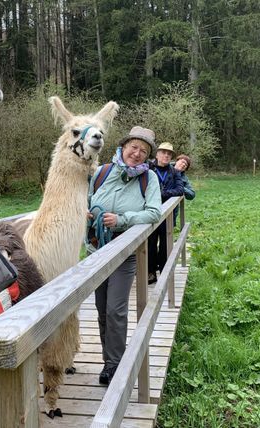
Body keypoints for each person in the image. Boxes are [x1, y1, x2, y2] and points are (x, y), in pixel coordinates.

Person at [86, 126, 162, 385]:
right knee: (101, 309)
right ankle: (109, 358)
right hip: (97, 251)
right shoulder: (102, 172)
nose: (137, 153)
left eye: (143, 150)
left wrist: (121, 220)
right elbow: (86, 201)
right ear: (124, 146)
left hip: (124, 252)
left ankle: (114, 364)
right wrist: (86, 214)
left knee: (116, 309)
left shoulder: (148, 179)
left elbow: (153, 213)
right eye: (134, 147)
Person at [147, 142, 184, 283]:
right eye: (163, 152)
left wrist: (163, 193)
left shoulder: (174, 172)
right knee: (150, 244)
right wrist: (159, 195)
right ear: (157, 154)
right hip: (151, 212)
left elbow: (180, 190)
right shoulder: (148, 168)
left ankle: (164, 272)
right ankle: (150, 272)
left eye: (169, 154)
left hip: (168, 215)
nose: (166, 156)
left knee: (165, 244)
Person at [173, 154, 195, 226]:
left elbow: (191, 195)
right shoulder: (165, 167)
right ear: (177, 161)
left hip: (173, 210)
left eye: (185, 165)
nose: (183, 165)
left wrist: (180, 187)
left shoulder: (184, 179)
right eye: (182, 161)